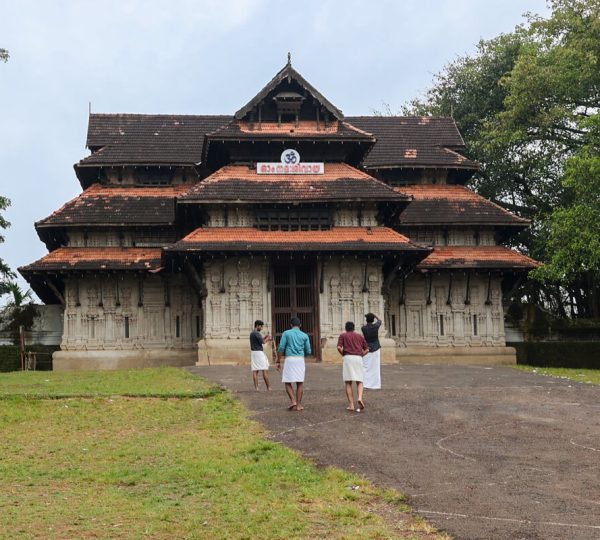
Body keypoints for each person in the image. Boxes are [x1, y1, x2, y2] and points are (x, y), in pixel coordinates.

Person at [277, 317, 311, 411]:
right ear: (300, 325)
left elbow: (281, 348)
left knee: (288, 381)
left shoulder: (286, 333)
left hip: (290, 359)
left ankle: (293, 401)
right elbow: (308, 350)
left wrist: (278, 360)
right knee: (300, 382)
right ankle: (299, 405)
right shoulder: (304, 335)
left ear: (291, 325)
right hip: (300, 359)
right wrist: (302, 354)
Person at [337, 321, 369, 412]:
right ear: (354, 328)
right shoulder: (359, 336)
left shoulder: (343, 335)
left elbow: (339, 347)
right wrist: (361, 355)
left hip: (348, 358)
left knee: (348, 382)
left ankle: (351, 405)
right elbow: (367, 349)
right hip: (358, 358)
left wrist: (343, 354)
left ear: (346, 328)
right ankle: (359, 398)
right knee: (360, 381)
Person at [361, 313, 382, 390]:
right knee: (375, 367)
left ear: (366, 320)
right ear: (373, 320)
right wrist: (374, 314)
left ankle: (366, 384)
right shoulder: (375, 326)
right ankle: (375, 385)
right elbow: (380, 320)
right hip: (376, 348)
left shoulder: (363, 328)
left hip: (367, 349)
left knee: (366, 367)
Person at [250, 320, 272, 391]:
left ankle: (256, 388)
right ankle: (268, 387)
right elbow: (263, 342)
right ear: (257, 326)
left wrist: (265, 337)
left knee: (255, 371)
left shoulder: (252, 333)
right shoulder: (256, 333)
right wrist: (268, 338)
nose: (262, 328)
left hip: (254, 353)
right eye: (261, 326)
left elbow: (260, 340)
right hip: (259, 353)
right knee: (264, 370)